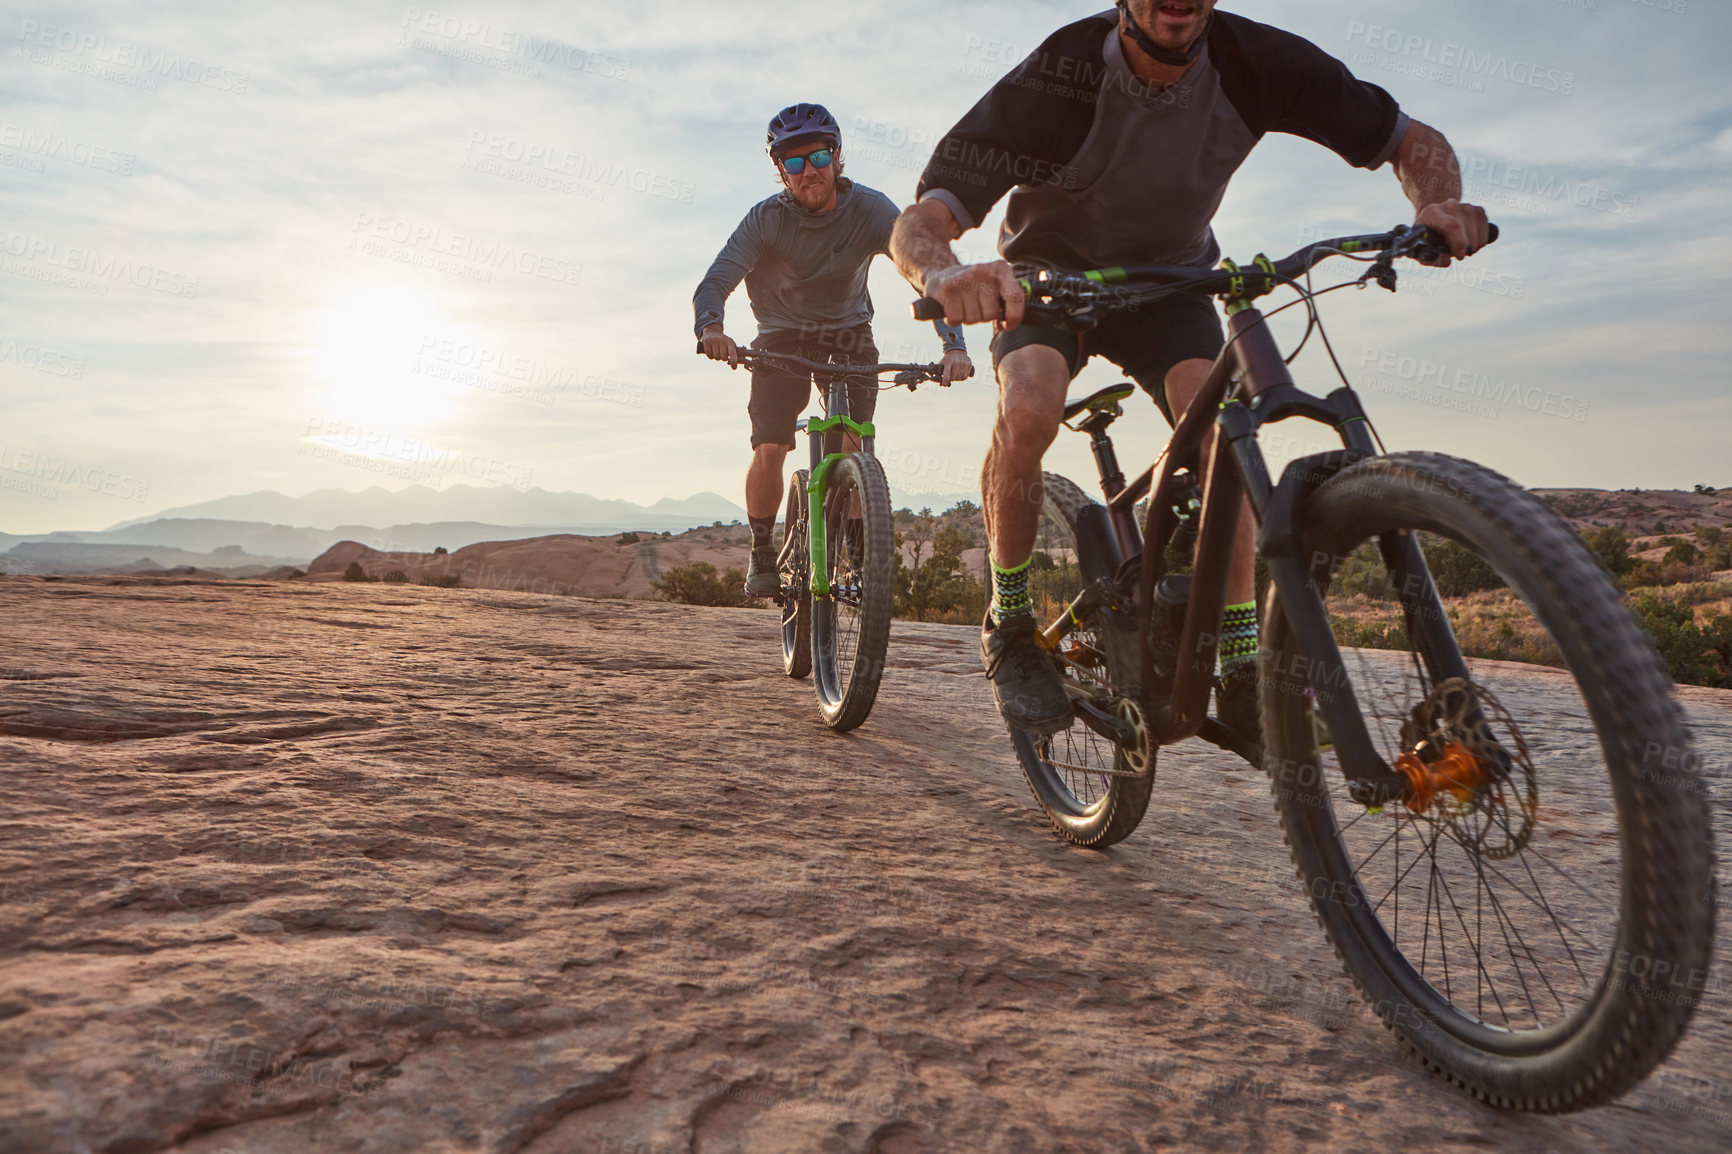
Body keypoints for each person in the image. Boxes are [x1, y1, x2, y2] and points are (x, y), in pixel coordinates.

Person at [889, 0, 1490, 739]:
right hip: (1051, 279)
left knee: (1226, 446)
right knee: (1030, 410)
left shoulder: (1259, 61)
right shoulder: (1061, 73)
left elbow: (1412, 142)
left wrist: (1442, 204)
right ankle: (1009, 621)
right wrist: (944, 274)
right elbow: (920, 223)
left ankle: (1239, 666)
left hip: (1171, 285)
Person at [695, 103, 975, 597]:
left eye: (818, 156)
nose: (810, 171)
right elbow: (715, 282)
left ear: (838, 157)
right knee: (771, 444)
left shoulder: (870, 209)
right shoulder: (764, 220)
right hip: (782, 337)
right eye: (795, 163)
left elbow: (923, 271)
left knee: (852, 444)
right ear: (781, 170)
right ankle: (762, 549)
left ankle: (856, 556)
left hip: (848, 333)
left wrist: (954, 345)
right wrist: (712, 328)